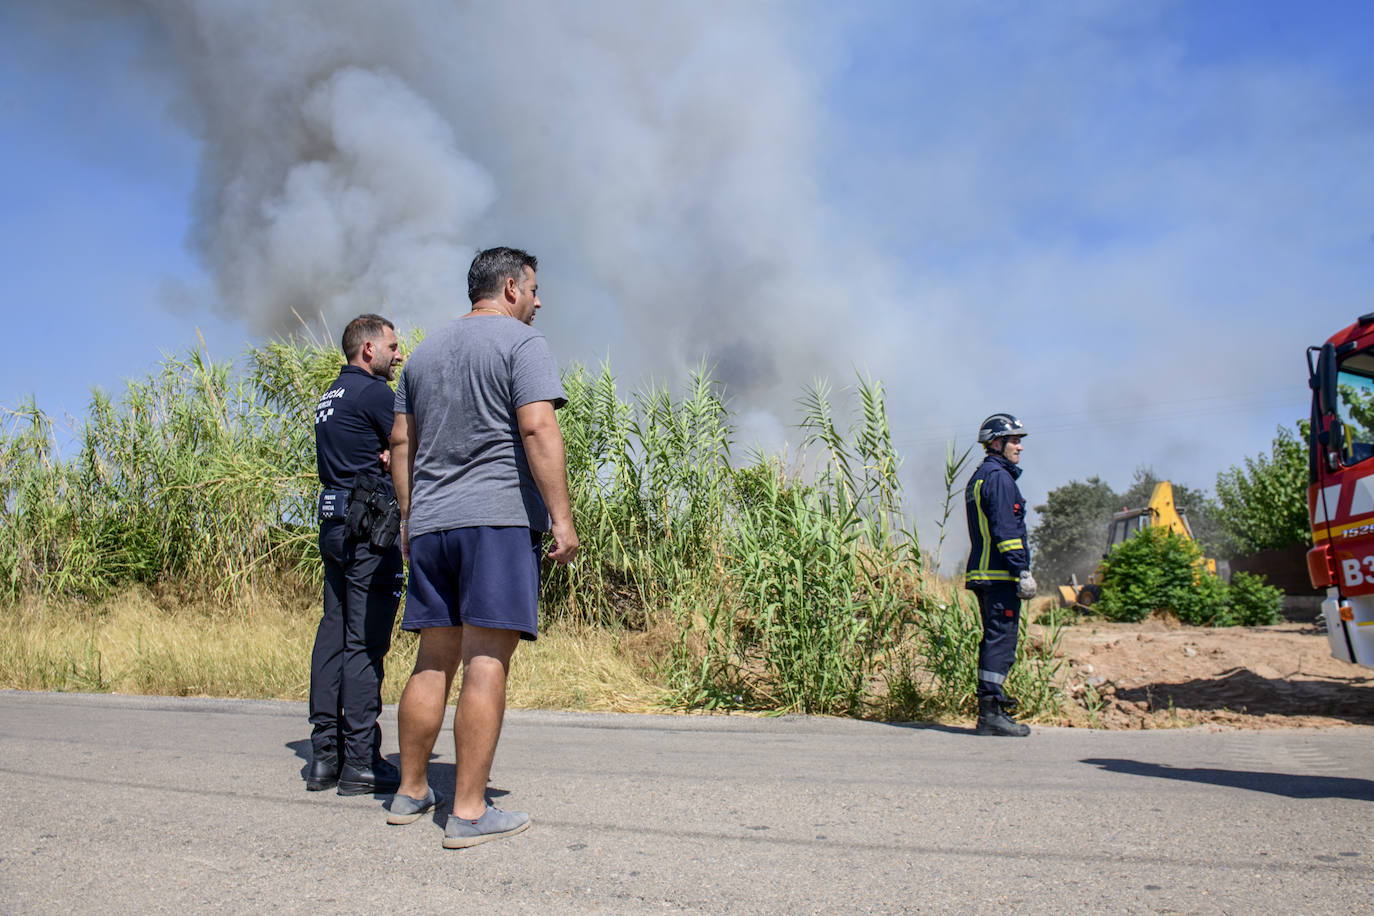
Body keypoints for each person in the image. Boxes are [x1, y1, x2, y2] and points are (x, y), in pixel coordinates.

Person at [387, 246, 578, 848]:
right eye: (535, 289)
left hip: (432, 526)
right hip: (495, 523)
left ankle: (410, 790)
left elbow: (400, 443)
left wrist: (409, 519)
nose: (540, 302)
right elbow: (537, 426)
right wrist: (561, 518)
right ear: (511, 288)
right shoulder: (522, 343)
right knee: (486, 660)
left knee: (432, 659)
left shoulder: (423, 354)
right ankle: (468, 812)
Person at [307, 314, 407, 793]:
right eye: (392, 346)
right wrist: (395, 458)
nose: (399, 355)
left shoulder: (331, 396)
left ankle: (325, 756)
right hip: (369, 530)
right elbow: (412, 445)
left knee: (333, 636)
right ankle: (362, 762)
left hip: (334, 524)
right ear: (368, 349)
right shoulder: (375, 394)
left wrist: (387, 453)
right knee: (364, 642)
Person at [964, 413, 1036, 737]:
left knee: (995, 639)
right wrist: (1021, 569)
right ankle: (990, 713)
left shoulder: (982, 476)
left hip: (987, 573)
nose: (1020, 446)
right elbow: (1006, 530)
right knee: (1001, 641)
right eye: (1014, 440)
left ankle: (991, 709)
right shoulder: (999, 478)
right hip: (999, 575)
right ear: (996, 442)